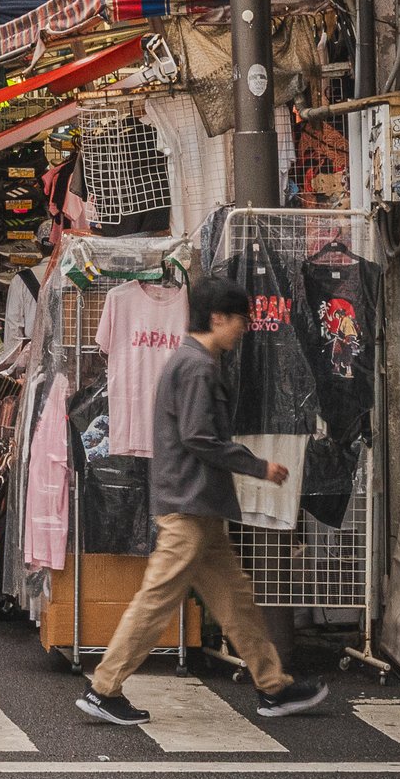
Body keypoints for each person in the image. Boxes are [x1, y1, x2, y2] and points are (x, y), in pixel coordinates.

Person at [79, 280, 332, 727]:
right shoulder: (197, 367)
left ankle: (273, 686)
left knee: (235, 600)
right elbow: (199, 437)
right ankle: (103, 687)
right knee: (157, 600)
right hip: (189, 504)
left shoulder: (191, 361)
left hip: (200, 504)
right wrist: (258, 466)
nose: (244, 330)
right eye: (240, 321)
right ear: (219, 318)